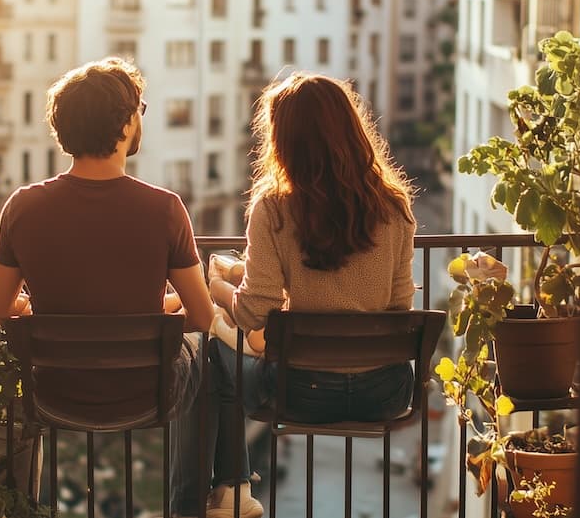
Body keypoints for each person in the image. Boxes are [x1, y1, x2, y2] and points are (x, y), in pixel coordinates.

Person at [175, 72, 417, 515]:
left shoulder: (274, 208)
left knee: (212, 359)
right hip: (386, 391)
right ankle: (229, 491)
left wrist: (219, 289)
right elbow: (399, 306)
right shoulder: (394, 207)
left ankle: (226, 491)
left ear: (284, 139)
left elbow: (255, 314)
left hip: (299, 390)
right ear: (351, 129)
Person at [0, 56, 214, 430]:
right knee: (211, 352)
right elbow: (203, 317)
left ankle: (29, 488)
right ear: (126, 122)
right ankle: (210, 486)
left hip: (53, 400)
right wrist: (157, 316)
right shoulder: (166, 209)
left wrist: (38, 311)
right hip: (147, 401)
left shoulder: (22, 207)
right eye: (139, 110)